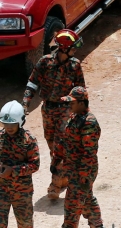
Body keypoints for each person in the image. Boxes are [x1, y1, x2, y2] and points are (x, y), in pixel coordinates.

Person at [23, 29, 84, 200]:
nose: (75, 50)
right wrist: (26, 101)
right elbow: (33, 81)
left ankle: (54, 186)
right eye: (72, 47)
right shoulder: (45, 62)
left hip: (66, 110)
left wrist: (82, 113)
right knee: (52, 146)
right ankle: (64, 177)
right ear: (64, 48)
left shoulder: (75, 65)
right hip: (48, 109)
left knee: (60, 147)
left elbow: (80, 91)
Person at [52, 87, 103, 228]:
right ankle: (97, 225)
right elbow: (65, 140)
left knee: (72, 204)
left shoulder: (89, 122)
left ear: (82, 103)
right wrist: (57, 159)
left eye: (72, 103)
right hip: (73, 169)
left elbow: (89, 154)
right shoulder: (75, 118)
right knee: (86, 199)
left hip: (83, 171)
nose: (69, 106)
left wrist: (83, 177)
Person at [0, 100, 39, 228]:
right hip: (2, 190)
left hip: (22, 192)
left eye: (12, 124)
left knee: (25, 224)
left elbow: (34, 165)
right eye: (5, 123)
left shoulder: (28, 140)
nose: (9, 127)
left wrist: (13, 170)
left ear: (20, 122)